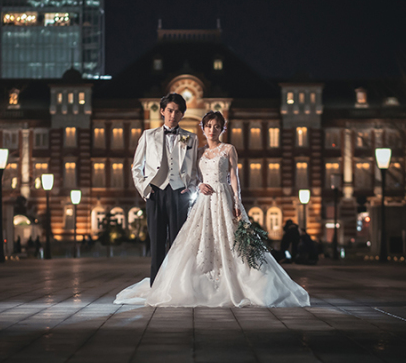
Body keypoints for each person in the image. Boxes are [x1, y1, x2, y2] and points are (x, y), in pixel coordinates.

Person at [116, 111, 310, 307]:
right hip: (205, 200)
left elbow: (234, 176)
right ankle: (199, 281)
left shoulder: (228, 149)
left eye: (217, 126)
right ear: (203, 128)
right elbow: (192, 176)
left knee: (230, 239)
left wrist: (237, 201)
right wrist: (198, 185)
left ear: (222, 129)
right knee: (201, 239)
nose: (212, 130)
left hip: (224, 196)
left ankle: (237, 281)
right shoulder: (197, 151)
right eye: (208, 126)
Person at [131, 93, 199, 285]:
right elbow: (136, 166)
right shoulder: (148, 135)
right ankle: (156, 287)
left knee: (179, 244)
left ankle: (178, 286)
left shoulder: (190, 138)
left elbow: (193, 169)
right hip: (155, 193)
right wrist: (145, 188)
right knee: (157, 243)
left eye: (177, 111)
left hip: (180, 193)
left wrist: (191, 189)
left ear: (182, 115)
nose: (173, 115)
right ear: (162, 111)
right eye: (169, 110)